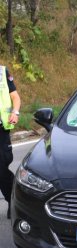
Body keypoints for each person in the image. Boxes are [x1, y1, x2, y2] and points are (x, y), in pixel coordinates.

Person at [0, 65, 21, 219]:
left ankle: (12, 200)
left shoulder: (2, 72)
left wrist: (15, 112)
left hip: (1, 131)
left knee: (1, 170)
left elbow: (15, 97)